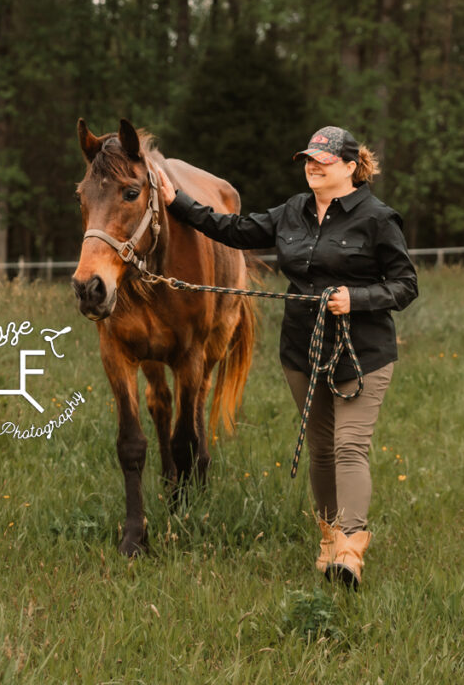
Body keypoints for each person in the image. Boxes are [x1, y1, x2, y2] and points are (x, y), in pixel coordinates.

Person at [155, 125, 418, 587]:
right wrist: (177, 200)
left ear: (351, 168)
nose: (312, 167)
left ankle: (350, 551)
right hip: (302, 350)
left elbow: (405, 285)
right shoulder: (292, 211)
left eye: (324, 160)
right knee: (321, 449)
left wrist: (357, 299)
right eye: (308, 159)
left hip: (363, 352)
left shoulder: (378, 219)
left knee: (349, 446)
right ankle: (328, 537)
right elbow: (233, 230)